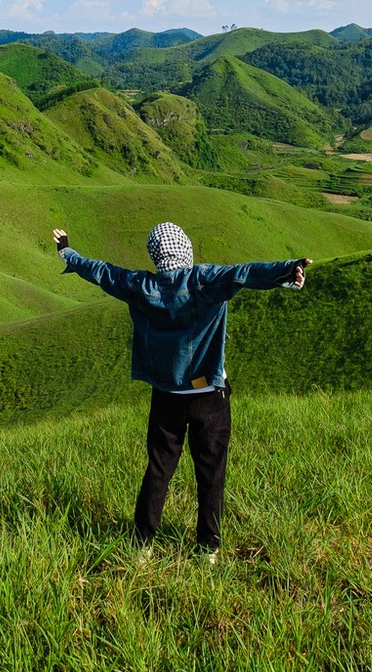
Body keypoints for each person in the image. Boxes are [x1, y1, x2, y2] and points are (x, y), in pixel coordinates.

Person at [51, 221, 310, 562]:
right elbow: (244, 273)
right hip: (209, 398)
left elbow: (101, 272)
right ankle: (208, 547)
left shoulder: (140, 285)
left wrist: (67, 251)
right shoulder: (204, 281)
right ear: (186, 249)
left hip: (166, 397)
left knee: (159, 468)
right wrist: (286, 272)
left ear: (156, 255)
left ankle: (142, 543)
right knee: (211, 472)